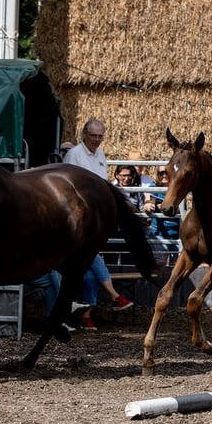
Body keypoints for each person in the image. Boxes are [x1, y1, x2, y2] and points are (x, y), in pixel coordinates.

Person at [62, 118, 134, 330]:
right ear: (85, 134)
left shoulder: (100, 155)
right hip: (76, 218)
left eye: (100, 136)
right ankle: (113, 295)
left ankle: (87, 315)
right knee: (91, 256)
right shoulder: (74, 154)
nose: (96, 140)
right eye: (93, 136)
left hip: (94, 218)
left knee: (90, 268)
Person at [143, 165, 181, 266]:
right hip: (160, 233)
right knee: (160, 263)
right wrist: (148, 205)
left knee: (176, 265)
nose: (164, 175)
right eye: (161, 173)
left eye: (167, 172)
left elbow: (184, 207)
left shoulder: (179, 188)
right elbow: (149, 200)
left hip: (178, 233)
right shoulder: (154, 187)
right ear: (157, 175)